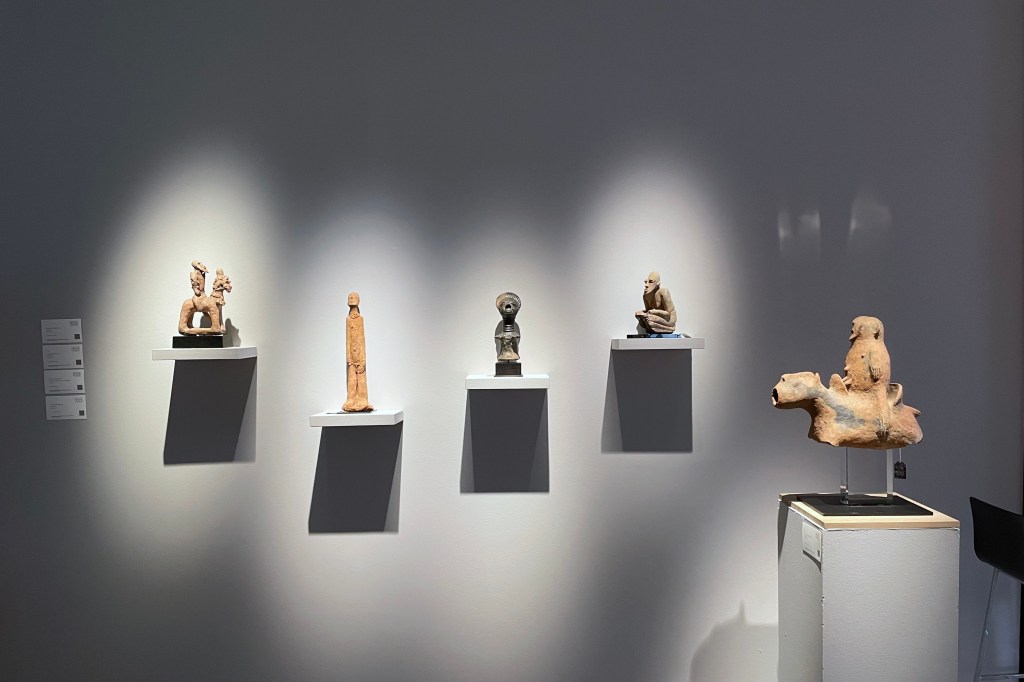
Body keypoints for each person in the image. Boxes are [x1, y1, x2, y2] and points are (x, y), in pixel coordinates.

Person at [635, 271, 677, 335]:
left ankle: (668, 328)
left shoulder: (663, 292)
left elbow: (668, 313)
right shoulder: (646, 295)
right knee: (639, 314)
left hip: (668, 319)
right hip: (655, 316)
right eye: (646, 282)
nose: (646, 285)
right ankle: (651, 326)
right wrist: (642, 314)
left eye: (651, 282)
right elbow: (648, 311)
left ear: (658, 284)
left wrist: (653, 312)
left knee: (650, 319)